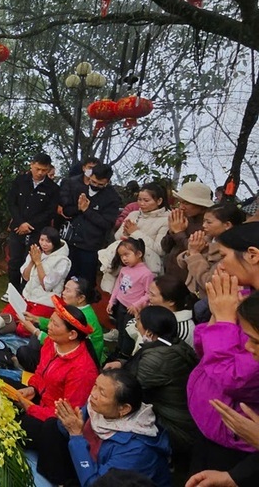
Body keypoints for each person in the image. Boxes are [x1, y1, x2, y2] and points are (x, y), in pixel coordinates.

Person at [185, 222, 259, 487]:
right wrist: (218, 319)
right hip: (211, 423)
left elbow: (238, 379)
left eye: (224, 256)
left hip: (236, 441)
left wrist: (226, 321)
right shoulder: (239, 296)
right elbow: (204, 349)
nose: (221, 267)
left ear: (252, 255)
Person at [106, 306, 199, 460]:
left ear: (149, 332)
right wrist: (122, 364)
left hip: (174, 428)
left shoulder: (156, 359)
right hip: (185, 418)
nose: (136, 324)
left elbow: (132, 390)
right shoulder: (174, 344)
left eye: (138, 322)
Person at [54, 369, 173, 487]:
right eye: (95, 385)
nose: (93, 394)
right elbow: (66, 430)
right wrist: (69, 420)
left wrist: (76, 435)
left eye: (102, 393)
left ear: (124, 408)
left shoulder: (137, 449)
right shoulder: (101, 409)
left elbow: (97, 485)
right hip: (92, 468)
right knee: (50, 428)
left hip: (102, 481)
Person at [17, 277, 105, 370]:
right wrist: (36, 319)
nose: (63, 293)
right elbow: (58, 326)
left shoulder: (81, 318)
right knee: (37, 330)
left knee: (25, 352)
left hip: (74, 364)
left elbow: (63, 344)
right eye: (64, 289)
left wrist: (35, 331)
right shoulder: (76, 309)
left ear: (81, 298)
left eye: (68, 290)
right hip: (67, 350)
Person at [178, 202, 245, 322]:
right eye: (204, 221)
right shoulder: (207, 239)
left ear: (227, 225)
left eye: (209, 222)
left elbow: (208, 281)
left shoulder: (233, 250)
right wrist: (191, 252)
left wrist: (194, 255)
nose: (204, 225)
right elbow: (181, 262)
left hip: (208, 303)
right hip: (191, 294)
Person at [99, 182, 170, 295]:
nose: (141, 203)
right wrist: (126, 234)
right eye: (139, 199)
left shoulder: (166, 220)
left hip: (145, 269)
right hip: (122, 263)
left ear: (159, 201)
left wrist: (135, 232)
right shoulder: (134, 214)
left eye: (146, 200)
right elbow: (117, 236)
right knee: (115, 298)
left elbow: (160, 249)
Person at [0, 227, 71, 336]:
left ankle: (26, 326)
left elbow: (47, 285)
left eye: (48, 241)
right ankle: (14, 323)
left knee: (22, 329)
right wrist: (32, 262)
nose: (44, 244)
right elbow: (25, 277)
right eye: (42, 240)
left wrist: (38, 263)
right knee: (1, 319)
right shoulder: (36, 252)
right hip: (27, 297)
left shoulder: (63, 261)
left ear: (54, 242)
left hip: (45, 302)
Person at [6, 153, 59, 297]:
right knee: (14, 260)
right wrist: (20, 222)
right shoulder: (20, 181)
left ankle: (25, 292)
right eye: (38, 169)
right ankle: (12, 289)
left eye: (44, 170)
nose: (40, 173)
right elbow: (12, 203)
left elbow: (50, 212)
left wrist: (29, 225)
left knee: (30, 260)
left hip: (37, 232)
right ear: (31, 165)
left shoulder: (52, 188)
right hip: (17, 227)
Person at [63, 163, 122, 291]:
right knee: (67, 279)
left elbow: (107, 223)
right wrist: (78, 208)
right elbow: (67, 211)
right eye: (93, 182)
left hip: (90, 246)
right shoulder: (79, 188)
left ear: (107, 182)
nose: (95, 186)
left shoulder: (112, 198)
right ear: (90, 176)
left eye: (100, 184)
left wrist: (87, 210)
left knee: (85, 283)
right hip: (72, 241)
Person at [106, 238, 154, 356]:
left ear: (139, 254)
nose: (124, 258)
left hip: (133, 310)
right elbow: (118, 285)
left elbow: (149, 293)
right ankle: (119, 349)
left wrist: (136, 305)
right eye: (121, 256)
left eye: (127, 254)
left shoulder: (146, 273)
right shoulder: (124, 269)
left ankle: (125, 355)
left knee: (128, 333)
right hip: (121, 305)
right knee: (120, 329)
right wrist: (112, 301)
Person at [161, 181, 214, 281]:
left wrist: (178, 233)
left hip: (191, 280)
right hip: (171, 274)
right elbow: (165, 247)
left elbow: (194, 250)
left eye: (186, 203)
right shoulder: (182, 218)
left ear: (201, 205)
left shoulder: (208, 225)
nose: (181, 207)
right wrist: (171, 231)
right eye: (180, 202)